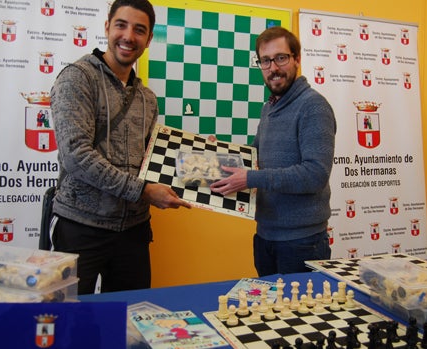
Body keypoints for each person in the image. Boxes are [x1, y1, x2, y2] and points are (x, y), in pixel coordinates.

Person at [50, 0, 191, 295]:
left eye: (140, 30)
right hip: (80, 227)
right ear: (107, 27)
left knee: (129, 324)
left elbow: (155, 155)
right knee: (70, 324)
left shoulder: (147, 98)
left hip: (133, 232)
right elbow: (76, 155)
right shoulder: (78, 78)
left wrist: (196, 155)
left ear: (149, 39)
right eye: (121, 25)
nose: (129, 36)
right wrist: (142, 191)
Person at [210, 26, 336, 276]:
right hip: (266, 236)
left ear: (297, 59)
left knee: (301, 315)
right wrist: (219, 150)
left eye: (281, 58)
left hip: (303, 242)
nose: (273, 68)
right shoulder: (269, 107)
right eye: (265, 61)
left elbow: (315, 174)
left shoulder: (313, 107)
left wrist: (249, 178)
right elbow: (256, 156)